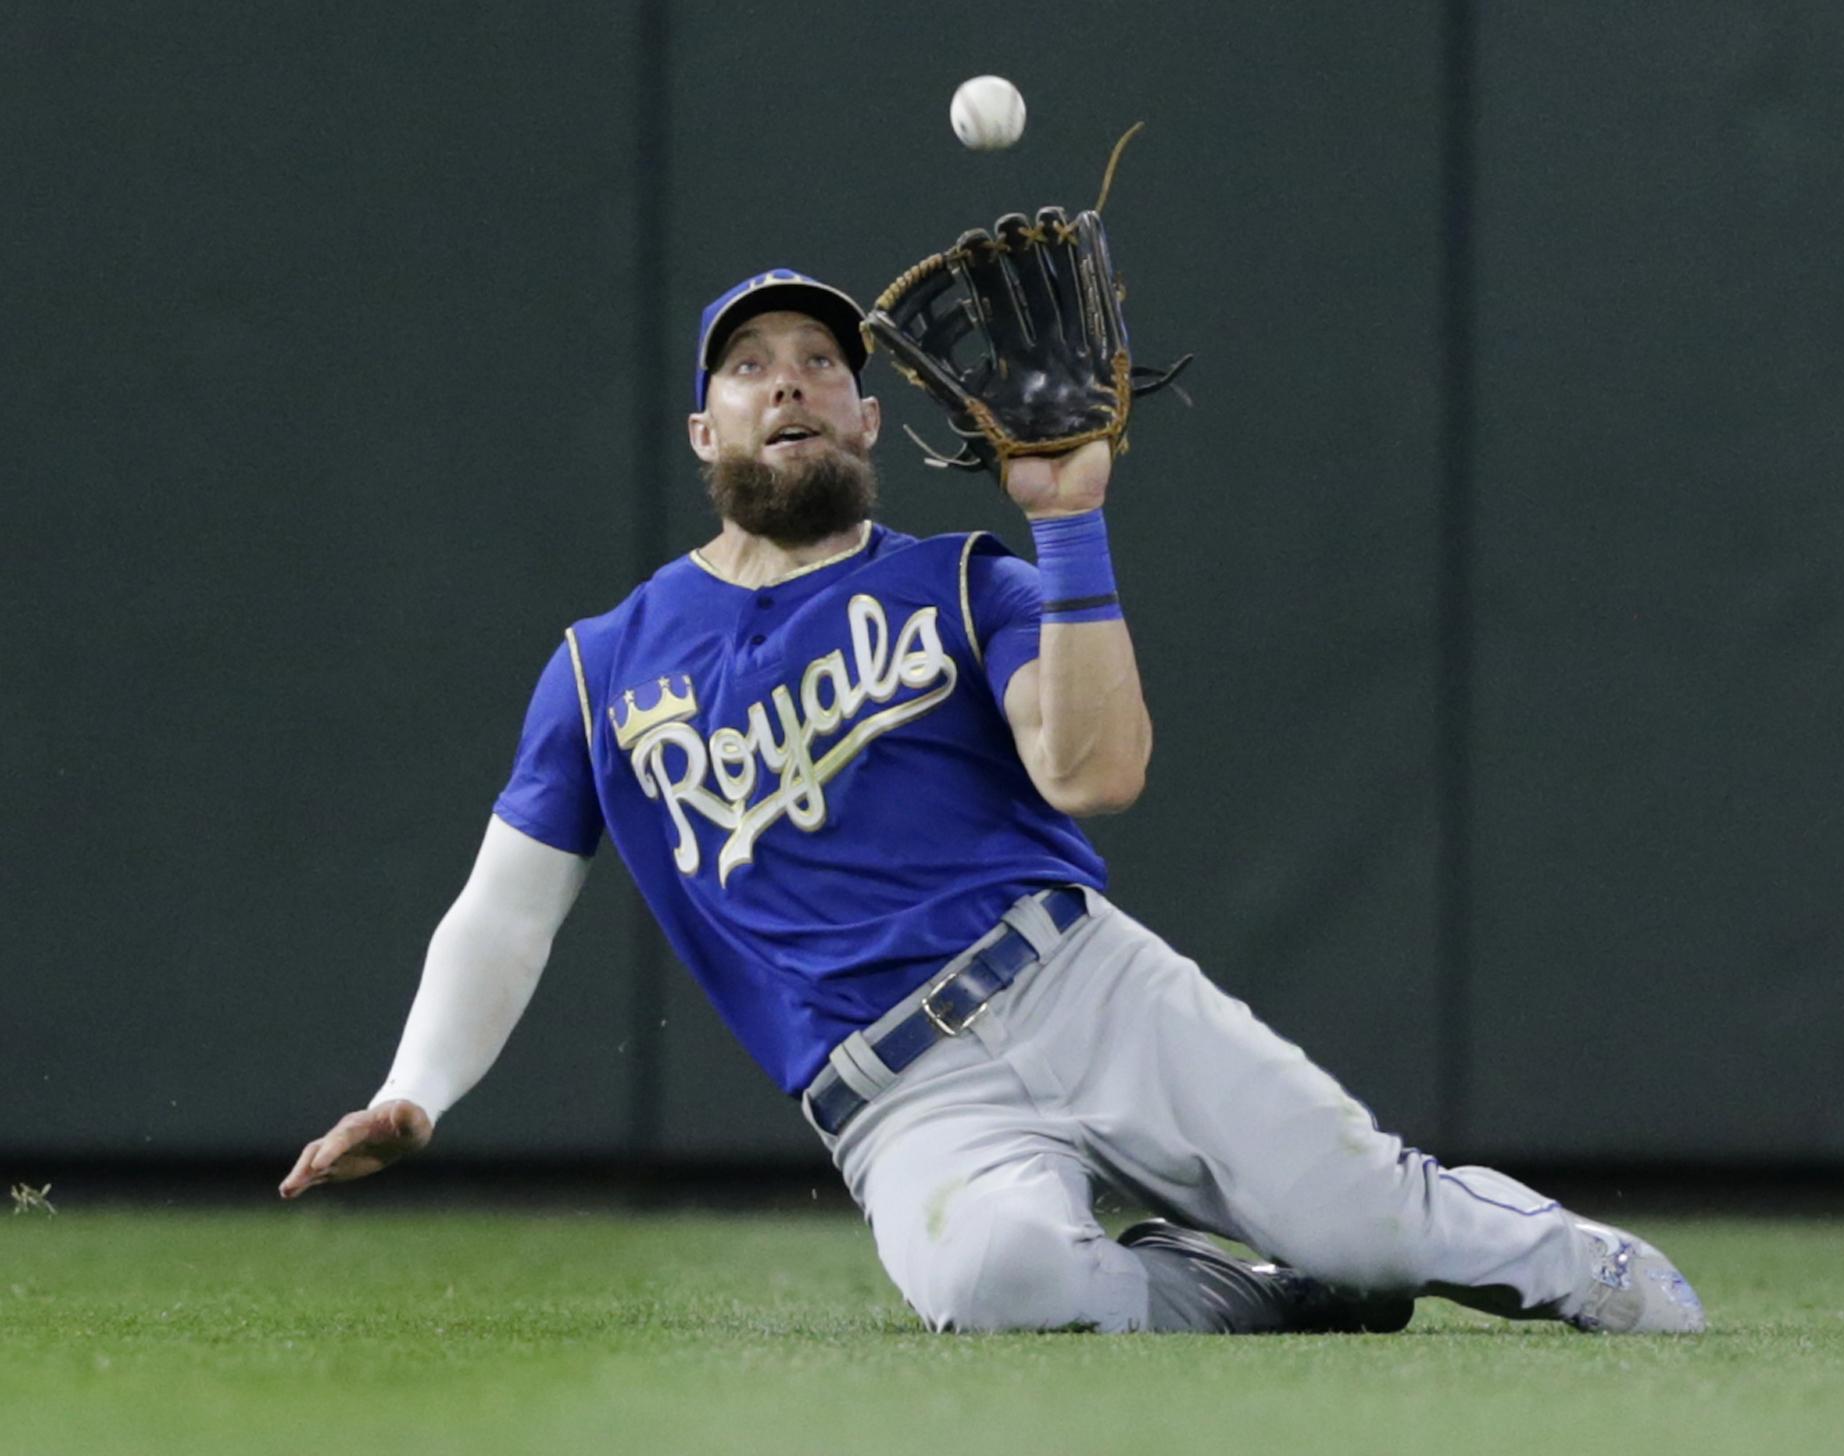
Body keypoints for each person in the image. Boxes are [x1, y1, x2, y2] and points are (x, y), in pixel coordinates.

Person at [280, 269, 1706, 1337]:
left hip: (1085, 986)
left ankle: (1593, 1272)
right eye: (752, 366)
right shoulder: (603, 668)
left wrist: (1067, 518)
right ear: (697, 427)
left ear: (869, 416)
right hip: (900, 1100)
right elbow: (505, 914)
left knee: (1374, 1222)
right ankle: (1253, 1295)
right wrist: (416, 1090)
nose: (789, 384)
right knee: (1005, 1282)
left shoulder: (968, 583)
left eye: (822, 364)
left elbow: (1097, 775)